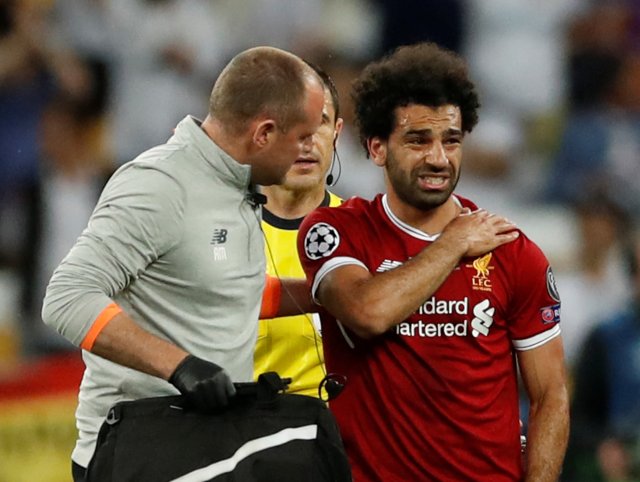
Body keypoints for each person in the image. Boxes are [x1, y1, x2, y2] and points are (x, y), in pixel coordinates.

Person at [41, 46, 326, 482]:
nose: (310, 149)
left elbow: (221, 290)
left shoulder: (236, 180)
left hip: (208, 447)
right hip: (136, 452)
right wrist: (179, 365)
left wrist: (324, 294)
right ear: (264, 133)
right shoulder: (161, 185)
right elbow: (67, 297)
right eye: (303, 136)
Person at [297, 42, 569, 481]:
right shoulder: (337, 231)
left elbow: (550, 395)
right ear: (377, 148)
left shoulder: (512, 252)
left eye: (451, 140)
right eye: (418, 140)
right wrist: (453, 242)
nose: (439, 159)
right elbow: (367, 312)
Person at [255, 64, 343, 397]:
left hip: (336, 439)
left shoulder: (365, 232)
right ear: (262, 133)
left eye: (319, 121)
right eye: (290, 122)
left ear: (337, 131)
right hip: (240, 438)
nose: (305, 140)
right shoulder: (220, 230)